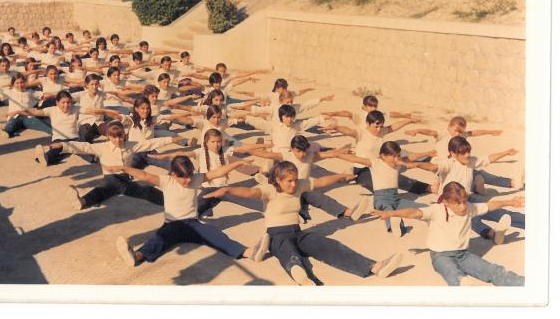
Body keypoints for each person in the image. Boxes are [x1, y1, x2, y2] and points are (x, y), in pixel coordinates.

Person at [203, 160, 406, 285]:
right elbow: (248, 192)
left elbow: (321, 182)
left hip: (298, 232)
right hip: (275, 236)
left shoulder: (300, 185)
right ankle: (303, 279)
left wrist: (341, 176)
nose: (293, 184)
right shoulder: (269, 190)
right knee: (289, 255)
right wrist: (226, 190)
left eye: (295, 180)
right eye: (289, 181)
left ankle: (375, 267)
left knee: (329, 245)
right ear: (278, 180)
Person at [112, 155, 262, 267]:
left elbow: (217, 172)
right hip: (171, 225)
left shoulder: (195, 179)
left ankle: (249, 252)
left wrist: (237, 163)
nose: (188, 180)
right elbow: (145, 175)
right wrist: (125, 168)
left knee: (216, 235)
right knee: (158, 239)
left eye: (190, 176)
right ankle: (137, 256)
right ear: (173, 174)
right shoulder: (166, 181)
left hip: (193, 224)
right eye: (183, 177)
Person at [373, 181, 524, 286]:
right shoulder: (436, 210)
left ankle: (522, 284)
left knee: (492, 270)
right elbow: (414, 212)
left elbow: (489, 205)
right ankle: (464, 286)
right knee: (452, 272)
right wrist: (391, 213)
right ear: (446, 202)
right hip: (440, 256)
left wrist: (510, 201)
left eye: (464, 201)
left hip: (463, 255)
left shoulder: (470, 208)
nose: (463, 206)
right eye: (458, 203)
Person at [411, 136, 523, 244]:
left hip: (467, 198)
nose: (467, 155)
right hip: (451, 203)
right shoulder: (448, 164)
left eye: (468, 151)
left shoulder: (471, 161)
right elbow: (433, 167)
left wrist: (506, 152)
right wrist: (417, 164)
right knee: (471, 219)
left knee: (497, 212)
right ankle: (493, 234)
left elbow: (488, 158)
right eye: (463, 153)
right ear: (453, 154)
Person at [57, 121, 186, 210]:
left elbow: (150, 143)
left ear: (124, 135)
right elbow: (84, 147)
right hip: (111, 178)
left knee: (105, 191)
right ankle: (171, 201)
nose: (118, 140)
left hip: (125, 179)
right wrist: (63, 145)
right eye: (114, 137)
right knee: (143, 190)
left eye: (120, 137)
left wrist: (172, 139)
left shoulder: (130, 145)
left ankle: (82, 202)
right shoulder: (102, 147)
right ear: (108, 136)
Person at [244, 135, 371, 223]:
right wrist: (246, 150)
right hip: (286, 190)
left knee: (320, 198)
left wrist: (341, 151)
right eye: (298, 151)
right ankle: (268, 180)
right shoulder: (286, 155)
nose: (302, 154)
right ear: (292, 149)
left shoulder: (310, 156)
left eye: (304, 151)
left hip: (302, 187)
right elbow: (266, 154)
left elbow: (329, 154)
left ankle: (349, 212)